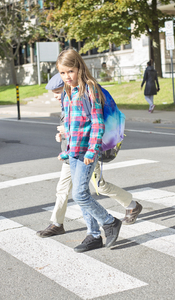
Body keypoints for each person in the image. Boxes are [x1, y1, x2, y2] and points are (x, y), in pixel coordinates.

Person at [37, 73, 142, 243]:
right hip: (71, 154)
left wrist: (68, 133)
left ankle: (131, 206)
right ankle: (58, 223)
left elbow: (90, 126)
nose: (55, 96)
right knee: (64, 190)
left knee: (98, 187)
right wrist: (62, 135)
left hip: (86, 153)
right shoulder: (67, 102)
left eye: (57, 92)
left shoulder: (82, 96)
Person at [54, 49, 126, 253]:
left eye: (70, 71)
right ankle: (93, 235)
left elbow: (97, 123)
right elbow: (71, 124)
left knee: (79, 194)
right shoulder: (68, 92)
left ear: (79, 67)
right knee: (81, 192)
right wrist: (66, 147)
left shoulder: (90, 90)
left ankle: (110, 222)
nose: (67, 76)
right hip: (75, 151)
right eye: (62, 73)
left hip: (87, 151)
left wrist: (92, 150)